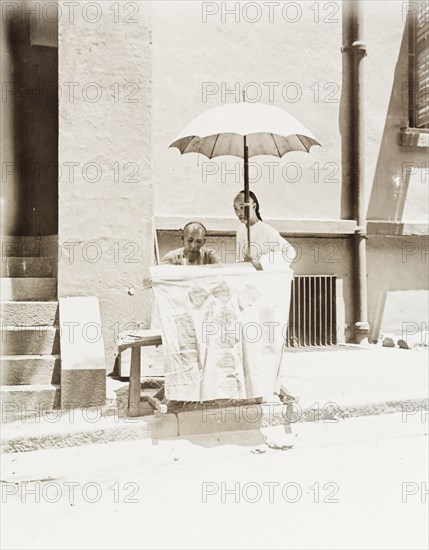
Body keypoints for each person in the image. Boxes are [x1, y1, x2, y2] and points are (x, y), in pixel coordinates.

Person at [233, 190, 296, 270]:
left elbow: (290, 252)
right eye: (235, 208)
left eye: (242, 207)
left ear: (254, 206)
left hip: (263, 278)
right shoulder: (240, 230)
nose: (239, 213)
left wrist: (259, 265)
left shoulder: (266, 231)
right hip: (247, 277)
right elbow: (240, 259)